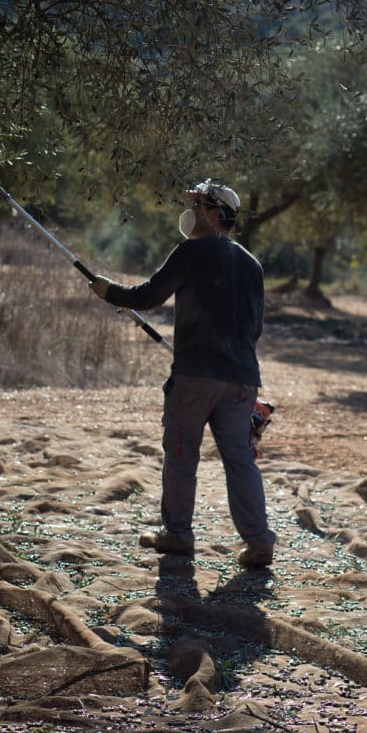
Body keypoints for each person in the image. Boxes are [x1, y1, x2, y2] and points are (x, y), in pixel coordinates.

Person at [89, 180, 276, 568]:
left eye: (195, 203)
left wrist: (110, 292)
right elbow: (254, 329)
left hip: (194, 377)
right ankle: (259, 540)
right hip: (242, 380)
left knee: (180, 455)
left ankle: (176, 535)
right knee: (241, 460)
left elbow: (148, 296)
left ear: (211, 211)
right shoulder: (252, 264)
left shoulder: (190, 252)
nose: (189, 210)